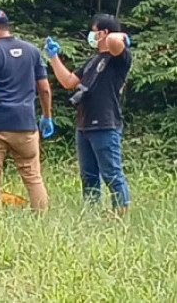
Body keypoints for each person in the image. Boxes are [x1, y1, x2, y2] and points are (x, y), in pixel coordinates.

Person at [0, 9, 54, 212]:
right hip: (26, 124)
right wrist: (47, 116)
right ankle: (41, 219)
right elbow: (45, 88)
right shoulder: (32, 51)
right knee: (32, 176)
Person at [45, 14, 131, 216]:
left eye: (94, 31)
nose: (91, 35)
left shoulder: (119, 58)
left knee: (111, 172)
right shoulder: (92, 61)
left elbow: (114, 42)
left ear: (104, 33)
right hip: (84, 124)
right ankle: (91, 213)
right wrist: (53, 57)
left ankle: (120, 213)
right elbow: (68, 82)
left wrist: (121, 36)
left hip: (105, 123)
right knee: (88, 175)